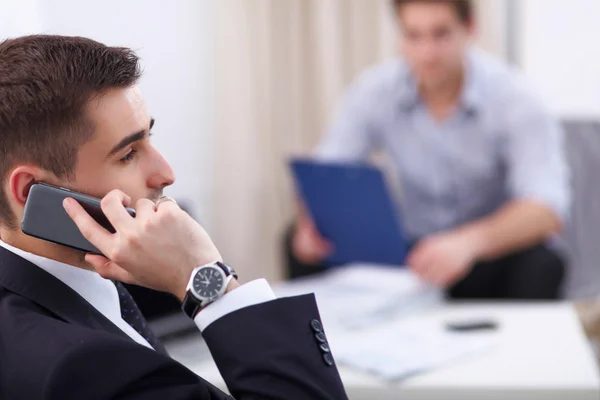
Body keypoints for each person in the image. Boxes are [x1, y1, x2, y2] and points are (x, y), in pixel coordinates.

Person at [0, 35, 348, 399]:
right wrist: (205, 276)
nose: (166, 174)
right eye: (128, 154)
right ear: (30, 191)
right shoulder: (83, 367)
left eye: (150, 136)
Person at [286, 0, 570, 300]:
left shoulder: (516, 98)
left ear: (470, 28)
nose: (427, 54)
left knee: (543, 263)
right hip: (412, 255)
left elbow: (546, 208)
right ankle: (311, 341)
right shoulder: (375, 89)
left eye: (441, 34)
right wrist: (310, 218)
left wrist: (467, 243)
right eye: (413, 36)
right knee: (296, 239)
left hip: (485, 254)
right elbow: (326, 170)